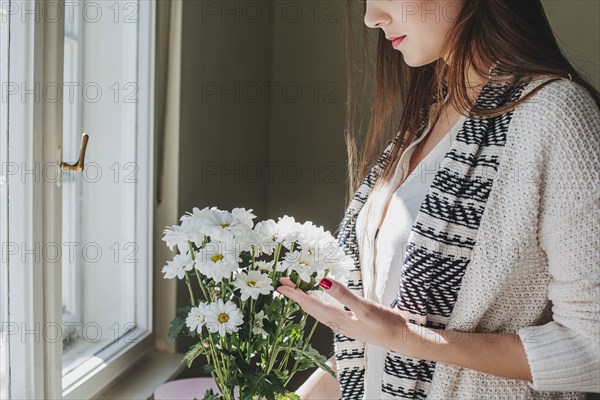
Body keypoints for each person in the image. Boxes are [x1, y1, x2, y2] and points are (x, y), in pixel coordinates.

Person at [276, 0, 600, 399]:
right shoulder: (431, 115)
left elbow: (593, 350)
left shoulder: (556, 115)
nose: (371, 17)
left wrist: (406, 336)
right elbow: (372, 345)